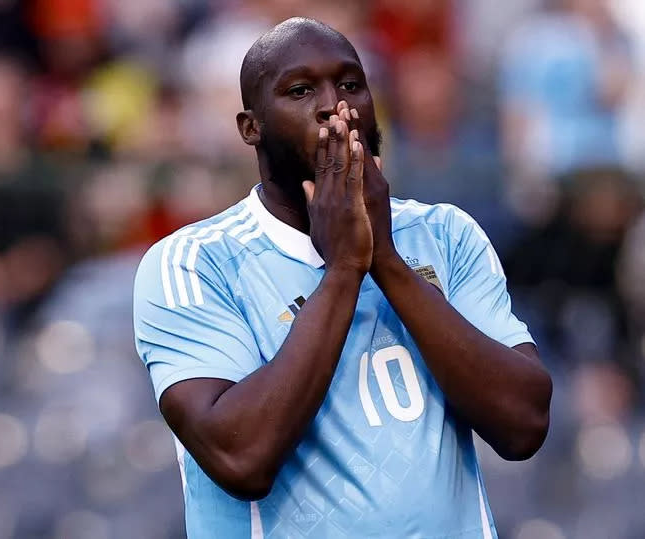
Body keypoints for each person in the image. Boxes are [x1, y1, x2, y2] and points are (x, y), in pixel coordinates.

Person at [133, 17, 552, 538]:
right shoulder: (193, 262)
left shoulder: (445, 234)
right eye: (301, 90)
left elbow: (524, 426)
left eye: (351, 84)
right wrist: (344, 269)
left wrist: (388, 263)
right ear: (251, 127)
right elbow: (242, 458)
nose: (336, 106)